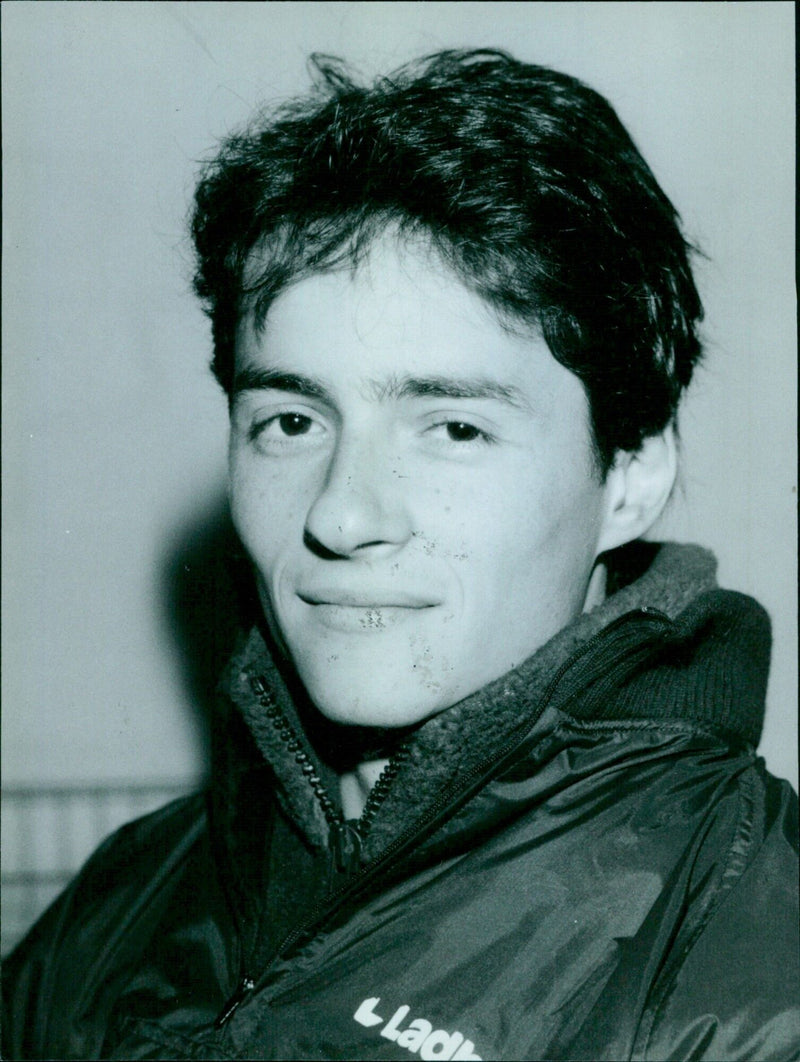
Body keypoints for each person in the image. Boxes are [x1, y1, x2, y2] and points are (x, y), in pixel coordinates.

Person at [3, 49, 798, 1062]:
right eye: (290, 420)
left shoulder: (748, 973)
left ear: (630, 477)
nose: (340, 514)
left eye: (452, 429)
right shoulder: (132, 892)